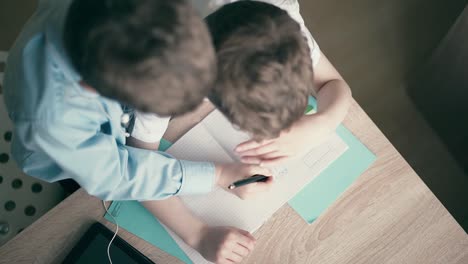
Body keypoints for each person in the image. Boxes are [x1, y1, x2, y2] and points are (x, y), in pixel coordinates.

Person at [139, 1, 352, 263]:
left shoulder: (279, 22)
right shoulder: (163, 79)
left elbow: (334, 84)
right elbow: (136, 163)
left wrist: (321, 124)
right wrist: (197, 235)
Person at [2, 0, 271, 204]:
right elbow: (116, 176)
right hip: (71, 161)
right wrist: (217, 176)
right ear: (94, 88)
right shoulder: (53, 120)